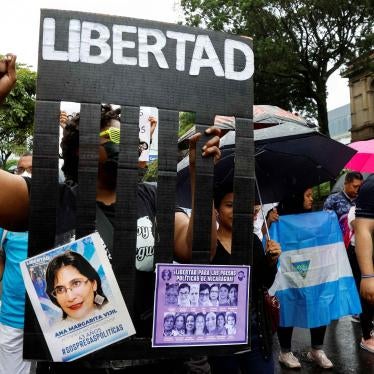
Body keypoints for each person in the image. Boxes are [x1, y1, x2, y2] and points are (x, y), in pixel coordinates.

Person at [209, 183, 281, 374]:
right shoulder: (209, 246)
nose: (235, 211)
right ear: (217, 210)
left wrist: (271, 261)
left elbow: (265, 283)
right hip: (219, 332)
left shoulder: (253, 241)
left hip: (254, 330)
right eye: (229, 205)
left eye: (239, 206)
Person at [276, 188, 333, 369]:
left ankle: (317, 349)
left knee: (319, 303)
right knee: (287, 303)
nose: (311, 199)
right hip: (288, 271)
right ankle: (285, 352)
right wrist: (268, 224)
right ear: (295, 197)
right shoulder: (277, 219)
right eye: (307, 195)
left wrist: (328, 221)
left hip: (313, 270)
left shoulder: (315, 217)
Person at [0, 152, 32, 374]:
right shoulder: (7, 220)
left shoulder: (65, 212)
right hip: (13, 319)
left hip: (58, 320)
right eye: (20, 169)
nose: (25, 174)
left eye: (31, 169)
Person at [45, 250, 108, 321]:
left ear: (93, 284)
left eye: (76, 283)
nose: (70, 297)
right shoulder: (55, 328)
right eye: (60, 289)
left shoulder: (111, 308)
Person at [352, 174, 374, 352]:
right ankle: (368, 335)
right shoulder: (371, 186)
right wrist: (367, 275)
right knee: (368, 296)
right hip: (366, 253)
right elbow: (362, 227)